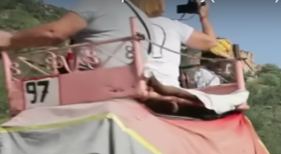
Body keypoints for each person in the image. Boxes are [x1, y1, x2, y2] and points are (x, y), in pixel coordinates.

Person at [0, 0, 155, 68]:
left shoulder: (97, 3)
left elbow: (54, 33)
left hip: (97, 83)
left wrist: (10, 40)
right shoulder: (144, 18)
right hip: (136, 82)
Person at [137, 0, 219, 88]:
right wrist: (204, 17)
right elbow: (211, 42)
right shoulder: (171, 25)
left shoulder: (126, 25)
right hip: (166, 88)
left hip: (131, 86)